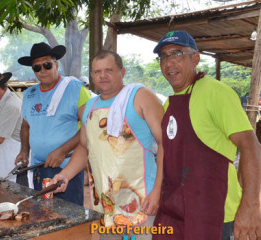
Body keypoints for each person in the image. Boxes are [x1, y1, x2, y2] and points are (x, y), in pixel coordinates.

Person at [152, 30, 261, 240]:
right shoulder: (169, 104)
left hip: (214, 215)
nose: (168, 63)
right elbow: (166, 153)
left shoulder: (216, 92)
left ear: (195, 58)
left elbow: (251, 146)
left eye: (177, 54)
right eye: (163, 57)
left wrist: (251, 205)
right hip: (175, 211)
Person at [51, 50, 164, 239]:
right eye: (97, 71)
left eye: (109, 70)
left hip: (142, 198)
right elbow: (85, 147)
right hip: (105, 203)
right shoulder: (90, 106)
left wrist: (157, 192)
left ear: (122, 72)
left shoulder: (140, 97)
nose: (102, 75)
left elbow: (166, 145)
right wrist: (65, 175)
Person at [14, 42, 91, 206]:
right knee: (41, 216)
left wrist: (62, 151)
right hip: (39, 169)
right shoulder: (29, 94)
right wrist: (24, 151)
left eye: (47, 65)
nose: (42, 70)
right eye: (37, 67)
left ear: (56, 65)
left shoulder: (76, 89)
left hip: (67, 170)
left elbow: (89, 126)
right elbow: (26, 125)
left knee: (69, 219)